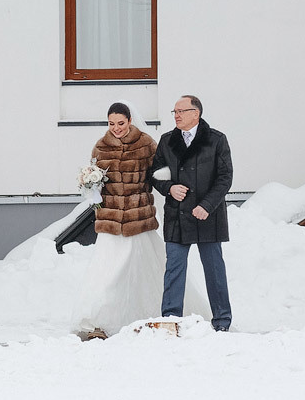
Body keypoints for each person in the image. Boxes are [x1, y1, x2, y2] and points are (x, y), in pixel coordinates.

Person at [73, 103, 163, 336]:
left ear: (130, 120)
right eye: (111, 124)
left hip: (137, 221)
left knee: (140, 272)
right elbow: (95, 182)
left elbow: (158, 177)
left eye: (121, 123)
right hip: (110, 222)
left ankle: (146, 319)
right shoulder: (101, 147)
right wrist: (90, 185)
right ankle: (99, 322)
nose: (116, 128)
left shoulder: (146, 144)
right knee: (106, 272)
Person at [151, 94, 234, 331]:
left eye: (180, 111)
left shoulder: (217, 140)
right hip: (178, 215)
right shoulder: (167, 141)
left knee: (214, 270)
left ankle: (222, 321)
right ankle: (170, 320)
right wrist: (170, 188)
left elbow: (225, 178)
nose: (176, 115)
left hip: (208, 214)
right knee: (174, 269)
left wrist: (206, 205)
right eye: (174, 112)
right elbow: (156, 173)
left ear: (195, 114)